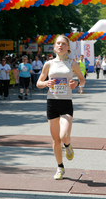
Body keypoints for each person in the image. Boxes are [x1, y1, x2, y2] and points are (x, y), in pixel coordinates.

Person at [36, 35, 85, 180]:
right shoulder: (48, 64)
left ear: (68, 47)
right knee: (56, 140)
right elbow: (38, 83)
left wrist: (76, 83)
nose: (60, 46)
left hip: (66, 103)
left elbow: (82, 80)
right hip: (52, 102)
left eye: (63, 44)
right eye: (58, 43)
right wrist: (46, 84)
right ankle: (60, 167)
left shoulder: (73, 63)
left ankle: (68, 145)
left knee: (64, 136)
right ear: (54, 47)